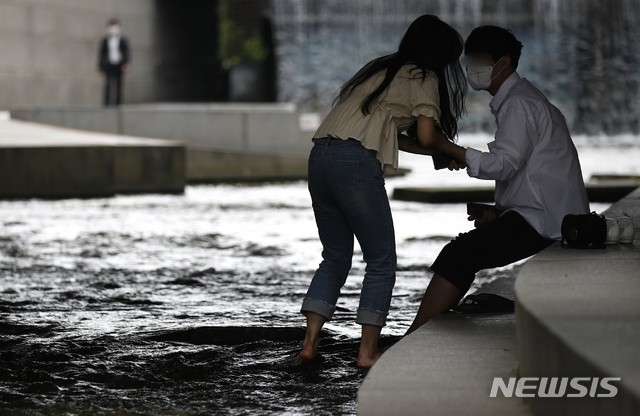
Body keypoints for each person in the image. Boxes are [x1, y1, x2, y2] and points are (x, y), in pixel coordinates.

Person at [298, 15, 467, 367]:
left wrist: (440, 151)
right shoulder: (425, 75)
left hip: (320, 158)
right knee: (380, 261)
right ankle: (367, 352)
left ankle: (309, 344)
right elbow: (424, 135)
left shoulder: (379, 68)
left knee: (334, 257)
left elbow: (396, 137)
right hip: (356, 164)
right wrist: (450, 148)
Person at [405, 25, 589, 335]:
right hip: (546, 213)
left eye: (478, 60)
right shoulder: (521, 99)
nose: (471, 69)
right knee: (466, 251)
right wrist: (499, 211)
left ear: (503, 63)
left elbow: (504, 165)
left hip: (545, 221)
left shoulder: (518, 104)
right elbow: (528, 173)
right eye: (469, 60)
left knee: (458, 254)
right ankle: (415, 334)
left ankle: (409, 341)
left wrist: (447, 146)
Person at [98, 19, 130, 106]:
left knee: (119, 85)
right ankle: (106, 104)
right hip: (109, 65)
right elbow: (102, 54)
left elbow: (126, 52)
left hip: (119, 65)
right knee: (108, 84)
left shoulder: (123, 40)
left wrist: (126, 63)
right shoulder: (105, 40)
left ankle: (118, 104)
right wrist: (100, 66)